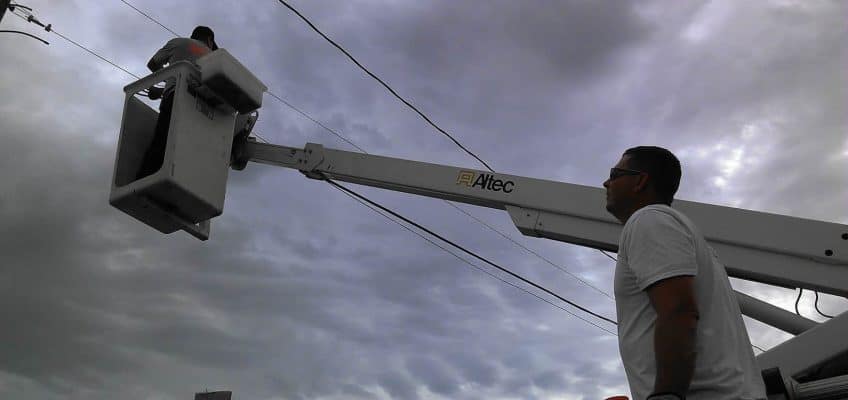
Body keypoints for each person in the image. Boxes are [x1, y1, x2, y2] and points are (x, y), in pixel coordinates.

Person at [603, 146, 767, 400]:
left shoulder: (649, 220)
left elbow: (678, 310)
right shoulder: (684, 235)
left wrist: (667, 394)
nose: (606, 182)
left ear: (640, 181)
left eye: (615, 174)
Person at [137, 26, 218, 179]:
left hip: (174, 99)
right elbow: (195, 87)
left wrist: (164, 85)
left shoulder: (179, 43)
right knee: (184, 150)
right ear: (209, 40)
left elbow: (153, 64)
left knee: (162, 142)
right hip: (201, 109)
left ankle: (146, 180)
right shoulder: (214, 57)